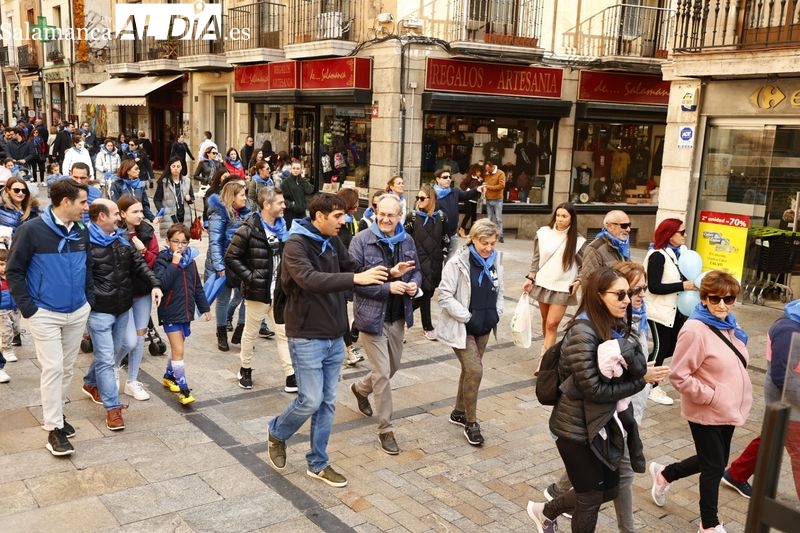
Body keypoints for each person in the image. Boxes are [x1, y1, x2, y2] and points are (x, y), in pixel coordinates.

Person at [267, 192, 393, 487]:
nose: (344, 220)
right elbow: (309, 280)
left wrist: (387, 274)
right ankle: (277, 432)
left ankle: (318, 463)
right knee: (309, 400)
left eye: (344, 215)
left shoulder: (333, 239)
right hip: (307, 335)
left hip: (335, 335)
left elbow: (352, 268)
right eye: (337, 216)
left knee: (327, 403)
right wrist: (354, 280)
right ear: (318, 217)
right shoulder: (295, 244)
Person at [526, 267, 647, 533]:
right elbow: (594, 389)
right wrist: (640, 381)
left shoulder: (614, 326)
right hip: (574, 430)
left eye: (631, 293)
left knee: (610, 489)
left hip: (599, 424)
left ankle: (545, 511)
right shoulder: (583, 332)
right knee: (590, 496)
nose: (628, 300)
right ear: (598, 296)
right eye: (621, 294)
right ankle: (545, 513)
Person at [650, 271, 752, 533]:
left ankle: (665, 474)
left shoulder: (729, 324)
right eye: (715, 299)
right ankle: (709, 524)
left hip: (728, 408)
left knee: (712, 461)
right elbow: (678, 375)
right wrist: (712, 396)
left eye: (728, 299)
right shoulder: (695, 330)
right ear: (704, 298)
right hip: (707, 410)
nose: (721, 305)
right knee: (714, 467)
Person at [6, 179, 92, 456]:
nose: (86, 207)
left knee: (66, 369)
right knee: (53, 368)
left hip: (77, 310)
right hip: (45, 312)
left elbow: (87, 265)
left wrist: (88, 298)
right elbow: (14, 270)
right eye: (82, 202)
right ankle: (54, 428)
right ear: (65, 202)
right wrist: (30, 309)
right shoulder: (31, 230)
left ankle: (57, 413)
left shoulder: (81, 230)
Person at [349, 193, 421, 455]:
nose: (386, 219)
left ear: (400, 216)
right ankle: (385, 429)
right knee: (382, 373)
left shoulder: (407, 239)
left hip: (397, 316)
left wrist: (414, 284)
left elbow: (417, 270)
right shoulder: (361, 241)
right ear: (375, 212)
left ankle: (359, 388)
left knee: (392, 367)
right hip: (370, 316)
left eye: (392, 215)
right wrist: (388, 287)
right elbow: (354, 281)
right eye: (382, 213)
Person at [80, 199, 162, 431]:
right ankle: (113, 409)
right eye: (116, 213)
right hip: (99, 312)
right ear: (101, 217)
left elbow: (139, 265)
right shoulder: (83, 242)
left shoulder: (122, 239)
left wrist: (155, 284)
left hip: (123, 307)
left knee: (121, 347)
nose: (119, 217)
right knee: (106, 359)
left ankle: (89, 383)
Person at [721, 299, 800, 501]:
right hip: (789, 404)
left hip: (788, 403)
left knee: (772, 436)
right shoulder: (788, 328)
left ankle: (735, 475)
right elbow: (783, 377)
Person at [438, 218, 504, 446]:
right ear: (473, 238)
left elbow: (499, 290)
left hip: (485, 325)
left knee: (469, 371)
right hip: (463, 327)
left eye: (492, 243)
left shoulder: (496, 260)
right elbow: (444, 295)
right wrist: (468, 317)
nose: (488, 248)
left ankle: (458, 411)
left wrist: (497, 312)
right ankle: (471, 422)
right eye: (484, 242)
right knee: (475, 370)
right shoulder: (457, 262)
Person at [225, 187, 296, 391]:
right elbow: (231, 257)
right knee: (251, 332)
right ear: (267, 205)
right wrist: (251, 277)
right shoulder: (248, 228)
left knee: (283, 333)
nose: (284, 206)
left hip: (280, 292)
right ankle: (245, 369)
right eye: (280, 203)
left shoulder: (284, 228)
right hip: (257, 292)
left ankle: (290, 375)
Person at [154, 223, 211, 405]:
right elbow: (162, 283)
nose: (180, 246)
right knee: (179, 351)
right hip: (169, 311)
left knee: (178, 348)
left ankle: (169, 376)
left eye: (184, 242)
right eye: (176, 241)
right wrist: (174, 264)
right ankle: (184, 391)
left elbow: (197, 286)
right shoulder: (162, 260)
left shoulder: (191, 262)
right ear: (168, 241)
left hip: (185, 311)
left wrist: (205, 308)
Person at [522, 202, 585, 360]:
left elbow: (585, 265)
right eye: (558, 215)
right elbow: (536, 258)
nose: (560, 219)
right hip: (543, 283)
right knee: (545, 322)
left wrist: (578, 281)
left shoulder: (578, 241)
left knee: (552, 324)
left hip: (563, 286)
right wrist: (530, 277)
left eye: (564, 216)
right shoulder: (544, 233)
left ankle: (544, 361)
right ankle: (548, 352)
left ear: (572, 219)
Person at [645, 218, 697, 406]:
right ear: (669, 234)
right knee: (661, 347)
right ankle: (651, 387)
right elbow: (654, 286)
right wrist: (683, 285)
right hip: (658, 311)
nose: (684, 235)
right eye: (681, 232)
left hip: (674, 311)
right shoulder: (657, 255)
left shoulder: (675, 254)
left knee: (672, 346)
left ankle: (644, 370)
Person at [116, 195, 161, 401]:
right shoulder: (115, 233)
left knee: (140, 338)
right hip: (123, 293)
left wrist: (142, 248)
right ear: (122, 213)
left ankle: (132, 381)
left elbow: (155, 261)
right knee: (129, 341)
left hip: (142, 292)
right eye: (135, 212)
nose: (140, 215)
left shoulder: (148, 232)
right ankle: (114, 368)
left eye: (142, 211)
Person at [205, 180, 250, 351]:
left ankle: (241, 329)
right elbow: (215, 242)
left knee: (246, 298)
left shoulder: (246, 213)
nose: (245, 198)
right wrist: (219, 267)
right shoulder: (219, 213)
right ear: (232, 197)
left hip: (242, 263)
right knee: (223, 299)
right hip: (224, 263)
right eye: (242, 195)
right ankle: (221, 333)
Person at [405, 184, 448, 340]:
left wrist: (443, 254)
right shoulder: (413, 217)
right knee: (423, 292)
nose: (419, 200)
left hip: (435, 261)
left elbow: (446, 238)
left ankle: (402, 317)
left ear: (431, 199)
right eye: (417, 198)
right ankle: (426, 326)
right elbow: (405, 238)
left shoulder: (441, 216)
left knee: (428, 293)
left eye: (422, 198)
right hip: (417, 262)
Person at [336, 187, 365, 366]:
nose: (356, 207)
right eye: (354, 204)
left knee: (341, 312)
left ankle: (347, 347)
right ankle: (348, 348)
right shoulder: (339, 225)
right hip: (337, 274)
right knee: (340, 313)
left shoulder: (350, 221)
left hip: (347, 271)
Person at [432, 169, 480, 260]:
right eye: (445, 177)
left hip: (453, 234)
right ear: (437, 179)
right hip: (438, 235)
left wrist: (476, 189)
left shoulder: (454, 191)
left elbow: (466, 195)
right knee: (437, 262)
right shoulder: (432, 194)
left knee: (450, 263)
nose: (448, 179)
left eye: (450, 177)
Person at [581, 209, 632, 285]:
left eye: (629, 225)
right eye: (624, 226)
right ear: (610, 226)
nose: (628, 229)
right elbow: (589, 282)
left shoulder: (624, 245)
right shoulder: (594, 248)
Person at [154, 156, 195, 234]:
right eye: (173, 166)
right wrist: (162, 210)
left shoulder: (187, 181)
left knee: (183, 241)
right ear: (169, 167)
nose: (176, 168)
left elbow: (192, 199)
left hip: (184, 217)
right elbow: (157, 199)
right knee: (172, 241)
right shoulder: (163, 182)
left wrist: (189, 199)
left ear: (181, 168)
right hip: (170, 217)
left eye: (178, 166)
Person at [0, 248, 19, 383]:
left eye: (6, 263)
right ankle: (7, 350)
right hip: (1, 310)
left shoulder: (12, 277)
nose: (4, 267)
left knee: (16, 329)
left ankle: (8, 342)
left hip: (14, 308)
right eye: (1, 264)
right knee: (6, 331)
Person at [280, 160, 314, 230]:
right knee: (292, 232)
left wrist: (302, 179)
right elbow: (283, 198)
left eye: (298, 168)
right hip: (290, 213)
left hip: (302, 212)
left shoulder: (302, 181)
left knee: (302, 232)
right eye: (294, 168)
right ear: (291, 169)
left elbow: (310, 190)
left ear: (301, 170)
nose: (295, 170)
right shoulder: (285, 182)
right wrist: (292, 205)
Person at [482, 160, 506, 242]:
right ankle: (489, 235)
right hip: (488, 198)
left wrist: (489, 187)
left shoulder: (500, 173)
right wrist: (484, 185)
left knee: (498, 218)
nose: (487, 170)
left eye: (488, 169)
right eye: (486, 169)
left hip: (497, 199)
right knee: (489, 218)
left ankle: (500, 235)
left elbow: (502, 185)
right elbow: (486, 183)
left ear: (492, 167)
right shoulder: (487, 174)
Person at [459, 163, 484, 236]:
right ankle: (461, 229)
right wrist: (468, 190)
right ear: (474, 171)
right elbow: (462, 185)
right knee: (468, 214)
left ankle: (473, 232)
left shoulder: (481, 180)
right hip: (469, 199)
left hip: (477, 200)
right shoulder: (470, 177)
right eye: (477, 171)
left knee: (474, 216)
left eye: (480, 171)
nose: (479, 173)